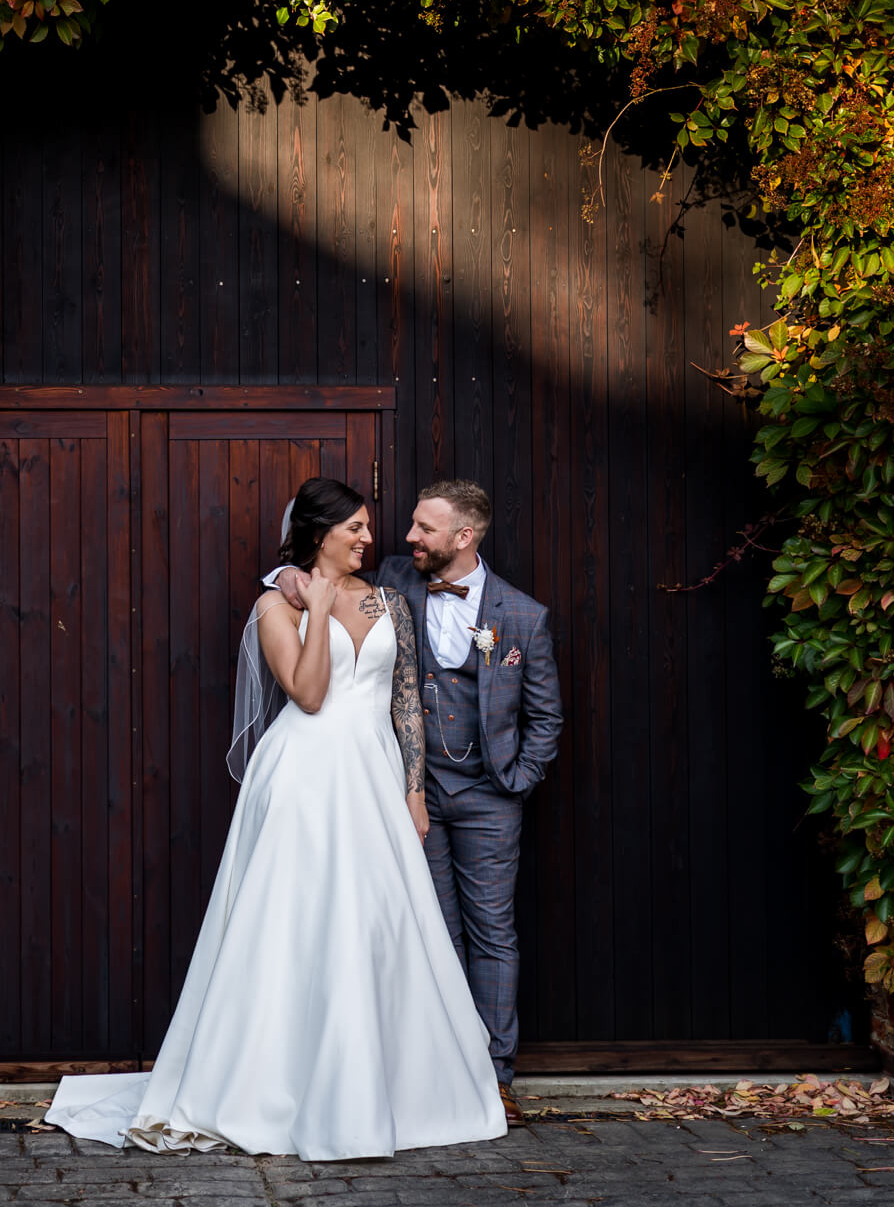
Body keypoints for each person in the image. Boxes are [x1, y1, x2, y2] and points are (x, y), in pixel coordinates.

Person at [46, 477, 506, 1160]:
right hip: (304, 776)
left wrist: (414, 789)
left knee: (378, 922)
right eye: (354, 528)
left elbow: (406, 698)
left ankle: (390, 1089)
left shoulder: (389, 601)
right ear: (319, 534)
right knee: (296, 920)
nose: (368, 539)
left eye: (368, 528)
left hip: (373, 776)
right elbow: (311, 694)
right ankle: (275, 1086)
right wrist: (316, 609)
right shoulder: (273, 606)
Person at [266, 479, 563, 1126]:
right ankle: (440, 1065)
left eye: (424, 529)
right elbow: (306, 571)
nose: (403, 539)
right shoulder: (396, 577)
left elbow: (546, 717)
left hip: (485, 796)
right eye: (397, 528)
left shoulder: (521, 616)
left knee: (491, 934)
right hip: (402, 788)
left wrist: (516, 779)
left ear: (464, 537)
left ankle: (495, 1074)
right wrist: (291, 579)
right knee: (428, 933)